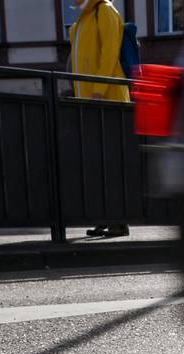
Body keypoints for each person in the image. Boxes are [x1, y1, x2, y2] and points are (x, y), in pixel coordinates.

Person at [69, 0, 131, 237]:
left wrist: (98, 89)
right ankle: (105, 217)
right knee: (99, 163)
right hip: (91, 99)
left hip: (107, 98)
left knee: (112, 163)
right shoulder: (86, 16)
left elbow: (109, 52)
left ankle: (119, 221)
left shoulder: (104, 10)